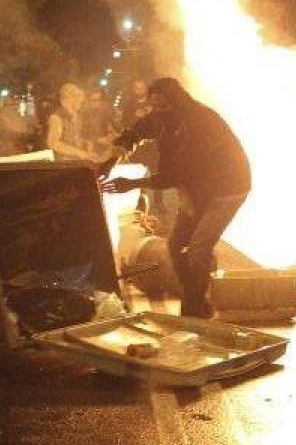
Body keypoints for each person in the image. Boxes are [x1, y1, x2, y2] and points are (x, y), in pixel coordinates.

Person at [98, 78, 251, 318]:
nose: (155, 111)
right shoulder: (164, 118)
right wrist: (111, 161)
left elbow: (179, 174)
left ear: (175, 102)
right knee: (175, 243)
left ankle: (194, 309)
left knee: (199, 247)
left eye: (161, 106)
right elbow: (137, 131)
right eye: (153, 106)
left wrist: (133, 184)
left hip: (227, 188)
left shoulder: (198, 122)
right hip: (198, 188)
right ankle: (198, 297)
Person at [46, 83, 101, 163]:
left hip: (74, 161)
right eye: (78, 99)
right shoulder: (56, 118)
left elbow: (73, 138)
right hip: (60, 163)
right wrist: (80, 153)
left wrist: (84, 142)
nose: (81, 102)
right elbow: (53, 143)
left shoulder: (77, 117)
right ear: (68, 99)